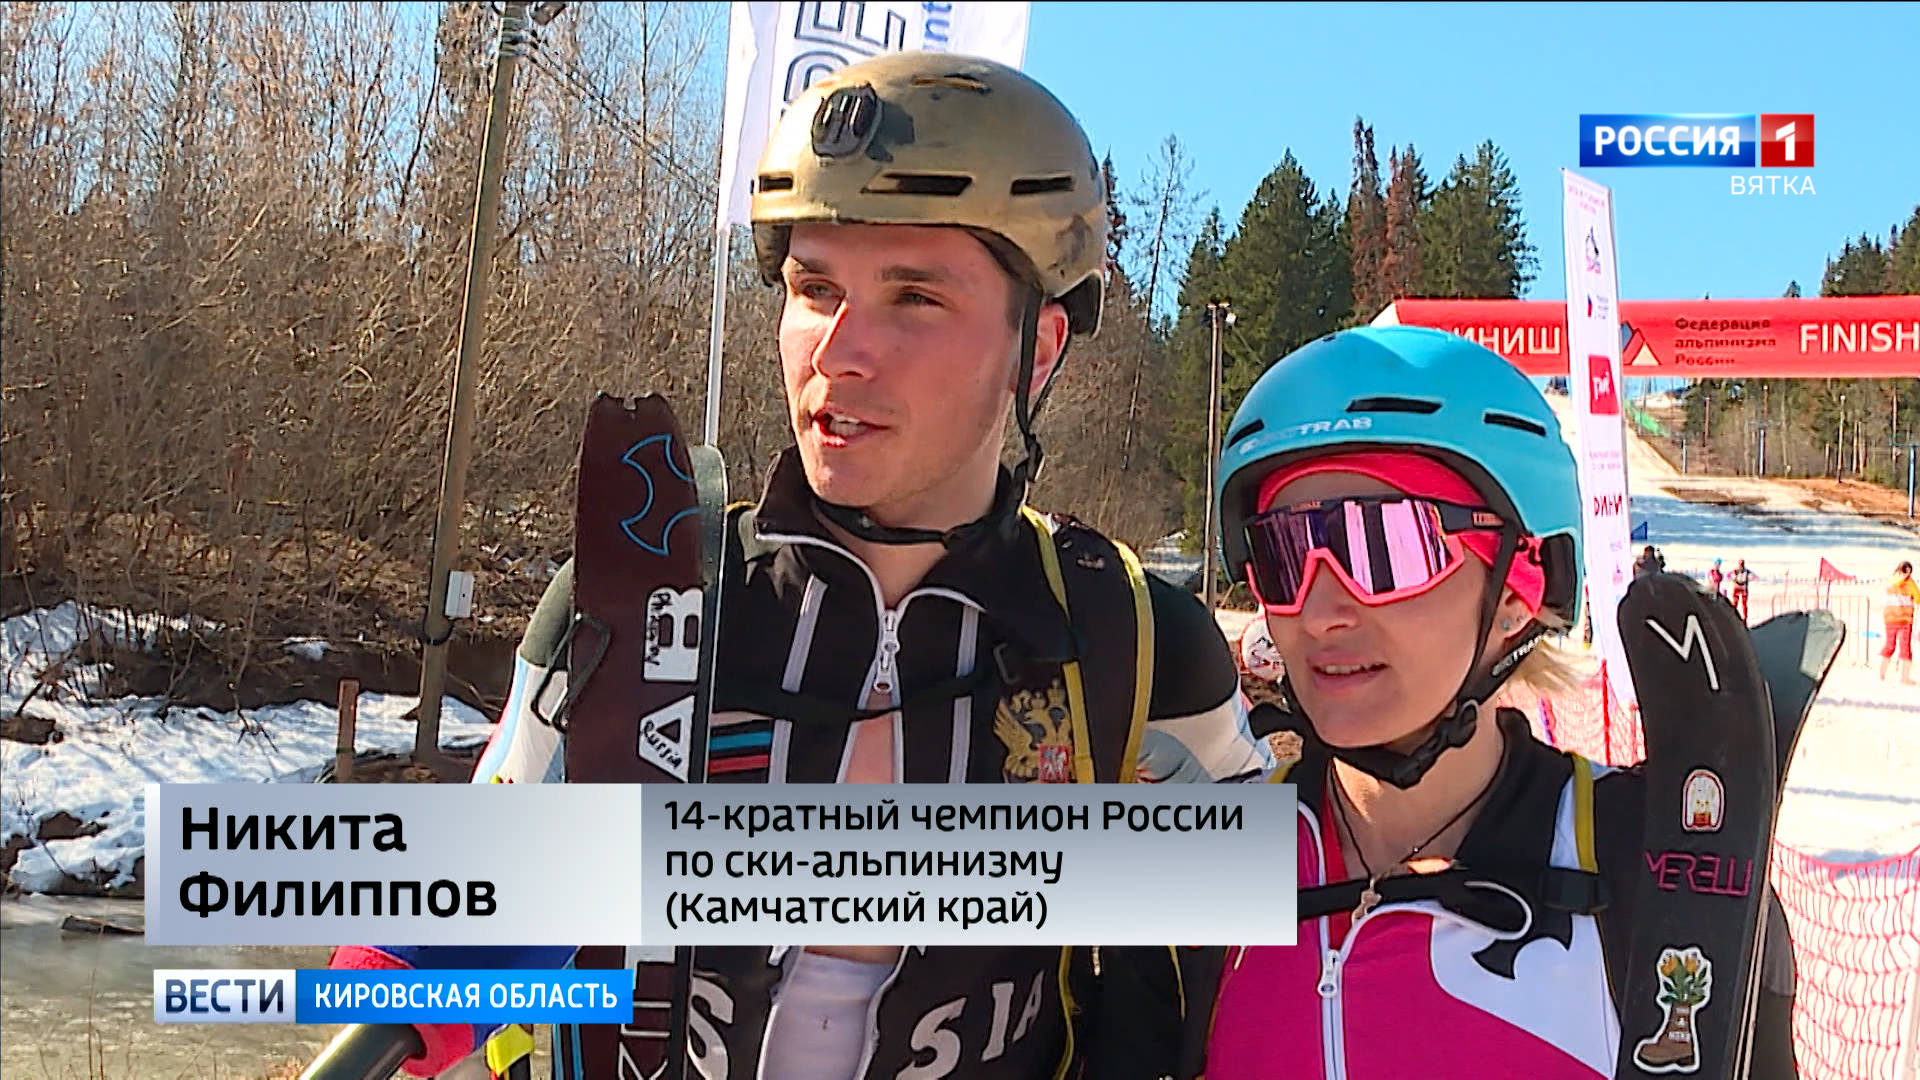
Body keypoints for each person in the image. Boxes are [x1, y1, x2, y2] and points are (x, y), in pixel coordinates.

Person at [329, 51, 1272, 1080]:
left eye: (914, 297)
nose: (838, 351)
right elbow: (452, 944)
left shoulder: (1134, 648)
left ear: (1037, 350)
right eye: (815, 289)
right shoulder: (634, 608)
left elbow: (1282, 976)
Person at [1080, 326, 1801, 1079]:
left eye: (1383, 547)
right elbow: (988, 882)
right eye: (1282, 556)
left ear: (1521, 585)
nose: (1319, 612)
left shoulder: (1644, 863)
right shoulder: (1209, 857)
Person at [1881, 560, 1919, 684]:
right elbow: (1918, 598)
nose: (1906, 576)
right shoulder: (1909, 583)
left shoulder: (1889, 580)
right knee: (1903, 647)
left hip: (1891, 618)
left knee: (1891, 646)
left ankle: (1882, 675)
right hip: (1904, 619)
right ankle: (1904, 677)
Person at [1730, 557, 1754, 623]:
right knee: (1735, 603)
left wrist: (1748, 579)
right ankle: (1733, 616)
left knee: (1744, 603)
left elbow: (1754, 576)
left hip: (1743, 588)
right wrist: (1733, 579)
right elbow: (1728, 575)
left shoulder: (1746, 571)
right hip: (1737, 588)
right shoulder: (1735, 570)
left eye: (1742, 565)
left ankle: (1745, 618)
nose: (1741, 566)